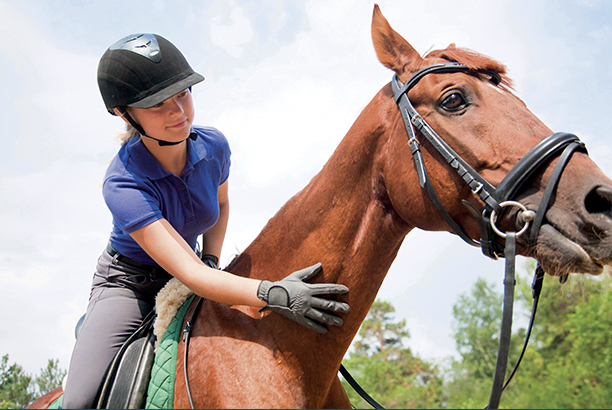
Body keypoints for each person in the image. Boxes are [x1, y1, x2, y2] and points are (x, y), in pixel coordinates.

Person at [61, 33, 350, 409]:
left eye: (183, 94)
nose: (178, 112)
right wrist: (274, 293)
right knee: (79, 401)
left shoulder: (214, 146)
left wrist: (212, 259)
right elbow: (190, 275)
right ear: (123, 112)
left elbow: (222, 205)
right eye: (158, 105)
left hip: (196, 267)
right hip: (130, 285)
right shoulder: (122, 183)